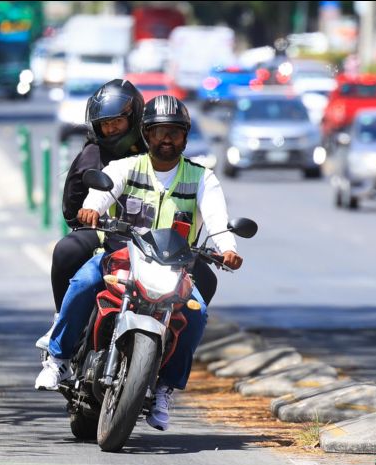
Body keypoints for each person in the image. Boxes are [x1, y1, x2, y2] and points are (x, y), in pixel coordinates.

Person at [35, 95, 243, 433]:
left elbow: (218, 220)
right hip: (121, 256)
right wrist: (92, 209)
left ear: (185, 137)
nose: (166, 139)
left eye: (174, 132)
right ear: (146, 134)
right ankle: (57, 358)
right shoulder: (127, 166)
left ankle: (164, 389)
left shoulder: (202, 178)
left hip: (173, 268)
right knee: (84, 282)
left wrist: (228, 248)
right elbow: (102, 193)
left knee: (197, 312)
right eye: (159, 132)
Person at [35, 79, 146, 351]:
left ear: (134, 118)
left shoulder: (153, 150)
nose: (111, 129)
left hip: (151, 241)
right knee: (66, 251)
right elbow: (71, 209)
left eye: (117, 121)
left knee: (203, 279)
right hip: (105, 234)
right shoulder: (92, 154)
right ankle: (62, 323)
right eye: (105, 124)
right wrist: (90, 216)